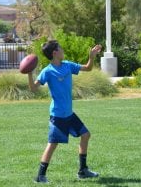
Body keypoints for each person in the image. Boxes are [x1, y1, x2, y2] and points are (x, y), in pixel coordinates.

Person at [28, 40, 102, 183]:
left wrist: (92, 57)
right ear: (55, 52)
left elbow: (87, 68)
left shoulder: (68, 65)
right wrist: (29, 73)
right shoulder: (48, 71)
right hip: (58, 115)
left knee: (85, 135)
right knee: (53, 144)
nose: (62, 49)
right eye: (60, 48)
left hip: (69, 113)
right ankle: (40, 176)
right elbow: (33, 88)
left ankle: (83, 170)